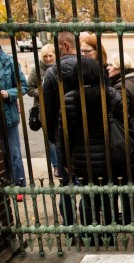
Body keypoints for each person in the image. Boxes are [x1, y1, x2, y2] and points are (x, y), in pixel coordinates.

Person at [60, 58, 123, 236]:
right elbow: (122, 124)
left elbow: (64, 135)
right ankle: (110, 235)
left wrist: (66, 161)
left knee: (88, 197)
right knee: (109, 196)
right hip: (109, 157)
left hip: (82, 159)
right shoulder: (111, 94)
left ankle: (90, 234)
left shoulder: (69, 99)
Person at [108, 52, 134, 224]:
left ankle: (128, 216)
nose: (108, 68)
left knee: (124, 177)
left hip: (128, 137)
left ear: (119, 67)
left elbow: (121, 115)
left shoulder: (121, 86)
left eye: (111, 65)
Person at [42, 31, 80, 225]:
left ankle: (70, 224)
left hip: (62, 136)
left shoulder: (51, 73)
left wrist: (53, 137)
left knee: (66, 183)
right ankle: (92, 226)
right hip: (89, 137)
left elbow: (47, 111)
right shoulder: (90, 66)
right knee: (91, 183)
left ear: (65, 45)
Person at [0, 38, 28, 202]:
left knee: (14, 154)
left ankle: (19, 187)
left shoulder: (8, 61)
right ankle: (5, 187)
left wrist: (8, 93)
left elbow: (23, 86)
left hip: (8, 116)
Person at [27, 43, 60, 178]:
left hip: (58, 108)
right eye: (45, 56)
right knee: (50, 139)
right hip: (44, 109)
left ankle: (64, 163)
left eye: (50, 55)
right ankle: (56, 166)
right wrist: (42, 92)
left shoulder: (60, 67)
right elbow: (28, 89)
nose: (48, 59)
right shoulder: (36, 70)